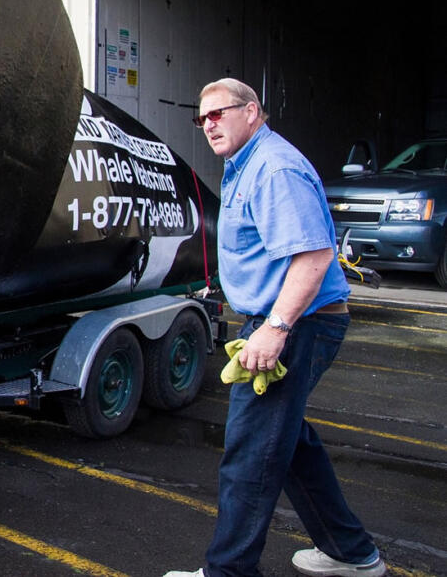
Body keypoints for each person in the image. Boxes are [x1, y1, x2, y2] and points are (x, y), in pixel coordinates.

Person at [165, 78, 385, 577]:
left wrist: (276, 326)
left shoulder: (273, 167)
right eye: (202, 119)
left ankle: (230, 571)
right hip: (288, 318)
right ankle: (352, 553)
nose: (209, 125)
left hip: (299, 322)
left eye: (219, 113)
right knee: (284, 444)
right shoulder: (245, 164)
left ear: (252, 111)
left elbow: (312, 256)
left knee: (250, 451)